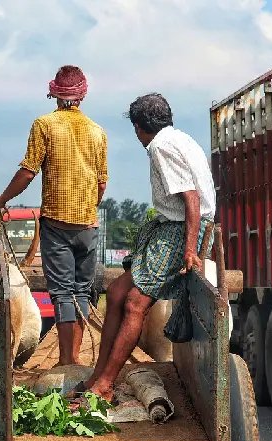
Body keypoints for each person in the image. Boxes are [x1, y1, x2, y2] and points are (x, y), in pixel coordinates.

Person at [70, 93, 216, 402]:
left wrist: (190, 251)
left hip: (182, 228)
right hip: (174, 225)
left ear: (139, 127)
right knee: (118, 292)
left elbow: (191, 199)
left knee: (136, 302)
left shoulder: (160, 146)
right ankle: (98, 375)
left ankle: (106, 384)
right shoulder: (179, 138)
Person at [0, 65, 108, 366]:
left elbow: (27, 173)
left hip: (57, 225)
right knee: (82, 292)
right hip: (88, 226)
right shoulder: (97, 131)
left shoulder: (44, 125)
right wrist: (88, 207)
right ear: (83, 95)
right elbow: (101, 182)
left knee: (63, 294)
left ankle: (67, 362)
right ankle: (76, 360)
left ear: (54, 94)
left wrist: (1, 200)